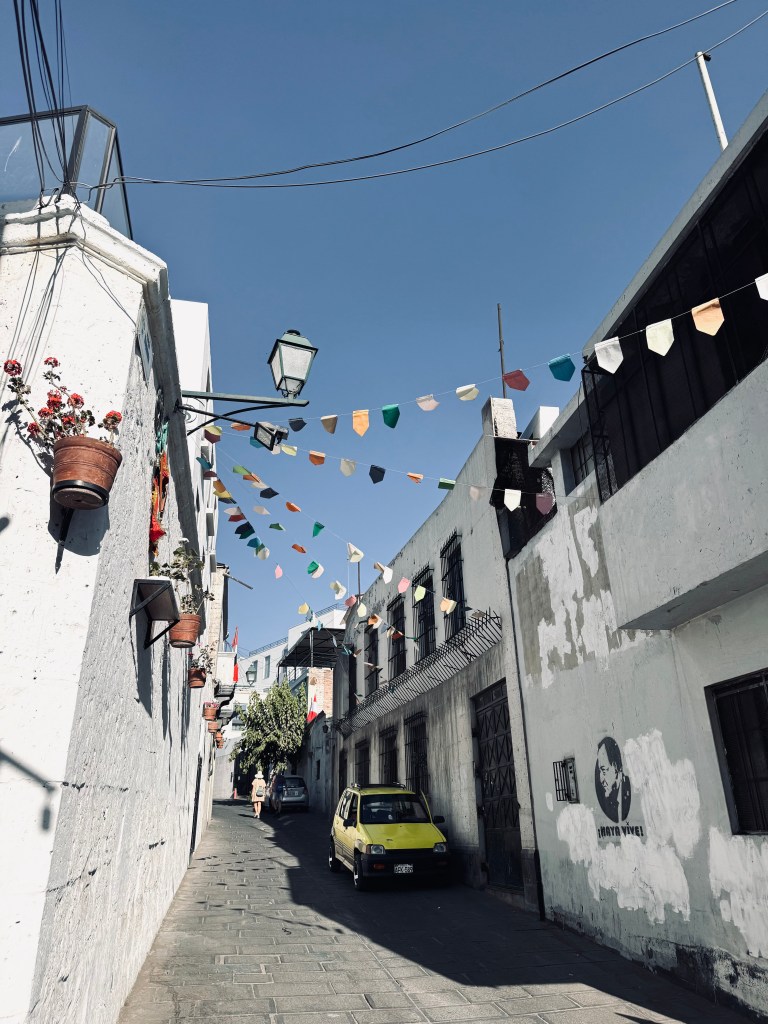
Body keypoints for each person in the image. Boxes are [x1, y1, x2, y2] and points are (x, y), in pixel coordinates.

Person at [595, 736, 631, 823]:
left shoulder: (626, 789)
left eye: (604, 770)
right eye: (600, 771)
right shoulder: (609, 798)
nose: (601, 779)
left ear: (615, 767)